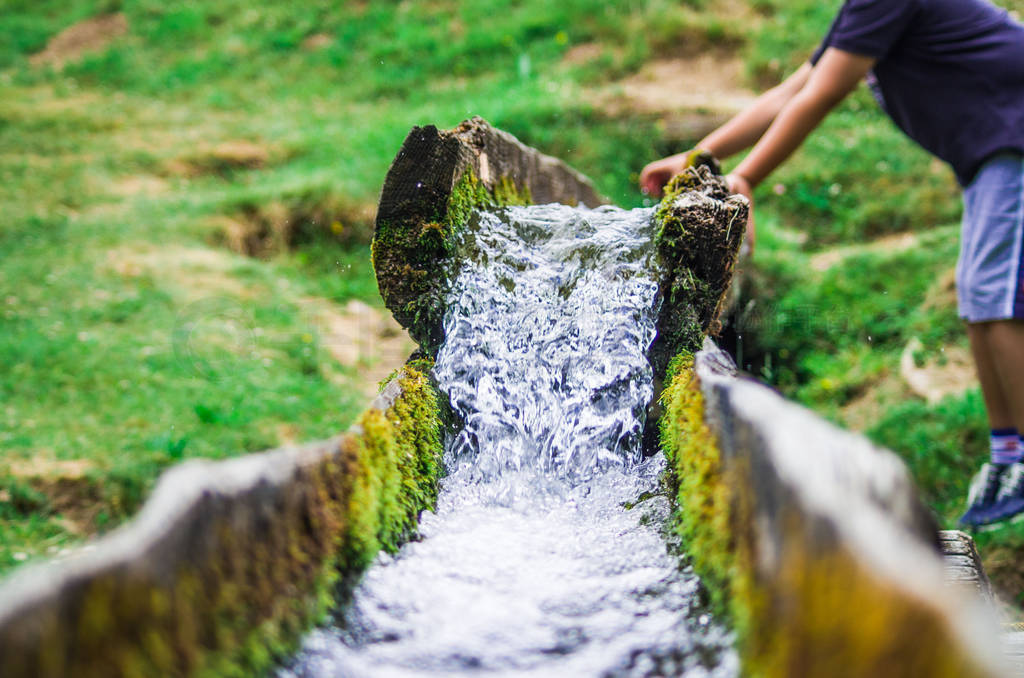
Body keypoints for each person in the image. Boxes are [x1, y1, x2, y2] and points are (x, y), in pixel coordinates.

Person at [640, 0, 1024, 527]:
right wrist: (697, 158)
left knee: (994, 298)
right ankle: (1009, 459)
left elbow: (822, 95)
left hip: (1014, 139)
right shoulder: (864, 12)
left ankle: (1018, 461)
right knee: (982, 297)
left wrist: (746, 177)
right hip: (994, 150)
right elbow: (791, 91)